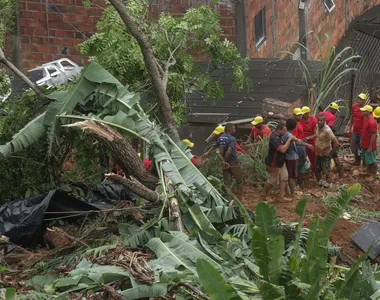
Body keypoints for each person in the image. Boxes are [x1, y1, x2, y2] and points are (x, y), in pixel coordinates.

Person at [263, 122, 296, 202]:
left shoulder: (280, 136)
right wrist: (289, 139)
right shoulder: (274, 138)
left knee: (284, 177)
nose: (285, 133)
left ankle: (281, 196)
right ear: (279, 130)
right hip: (273, 163)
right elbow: (282, 149)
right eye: (284, 131)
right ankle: (265, 195)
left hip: (280, 161)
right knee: (272, 181)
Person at [216, 123, 243, 195]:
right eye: (234, 128)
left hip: (224, 165)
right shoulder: (232, 139)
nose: (235, 130)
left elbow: (218, 152)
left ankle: (229, 199)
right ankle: (240, 197)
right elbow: (229, 151)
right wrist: (225, 161)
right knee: (239, 180)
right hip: (233, 163)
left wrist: (223, 162)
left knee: (227, 183)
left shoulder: (220, 138)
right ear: (230, 130)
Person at [315, 114, 340, 187]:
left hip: (325, 153)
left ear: (324, 121)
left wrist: (330, 153)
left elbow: (336, 144)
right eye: (318, 120)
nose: (319, 122)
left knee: (326, 170)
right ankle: (319, 184)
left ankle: (328, 185)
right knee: (317, 169)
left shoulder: (328, 130)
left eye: (321, 120)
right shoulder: (317, 126)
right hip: (318, 153)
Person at [360, 105, 377, 175]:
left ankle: (373, 173)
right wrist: (362, 140)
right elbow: (364, 131)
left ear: (368, 112)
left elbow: (373, 135)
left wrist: (370, 147)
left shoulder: (371, 122)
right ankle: (368, 171)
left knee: (371, 159)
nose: (362, 112)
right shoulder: (365, 118)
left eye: (364, 111)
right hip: (365, 142)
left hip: (369, 144)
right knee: (367, 158)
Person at [300, 106, 318, 173]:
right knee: (301, 156)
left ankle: (314, 171)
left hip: (310, 140)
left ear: (308, 114)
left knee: (313, 157)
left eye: (304, 114)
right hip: (301, 140)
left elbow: (316, 133)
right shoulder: (300, 120)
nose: (302, 115)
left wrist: (307, 138)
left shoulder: (313, 119)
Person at [350, 93, 366, 165]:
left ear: (364, 101)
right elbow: (352, 117)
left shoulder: (366, 109)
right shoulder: (354, 107)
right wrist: (350, 126)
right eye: (358, 98)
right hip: (355, 131)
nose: (359, 100)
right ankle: (357, 160)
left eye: (361, 99)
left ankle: (364, 162)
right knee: (354, 147)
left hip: (362, 132)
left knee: (361, 147)